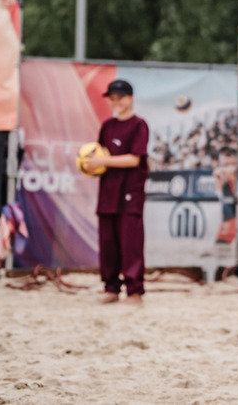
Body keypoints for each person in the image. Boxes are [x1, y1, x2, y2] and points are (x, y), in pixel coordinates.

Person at [81, 79, 150, 305]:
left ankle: (135, 291)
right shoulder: (107, 126)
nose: (115, 102)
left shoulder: (139, 125)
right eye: (112, 98)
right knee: (108, 243)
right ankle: (111, 288)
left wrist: (103, 160)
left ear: (130, 98)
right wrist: (91, 165)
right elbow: (101, 159)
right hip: (108, 193)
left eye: (119, 97)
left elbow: (134, 159)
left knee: (131, 243)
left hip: (130, 194)